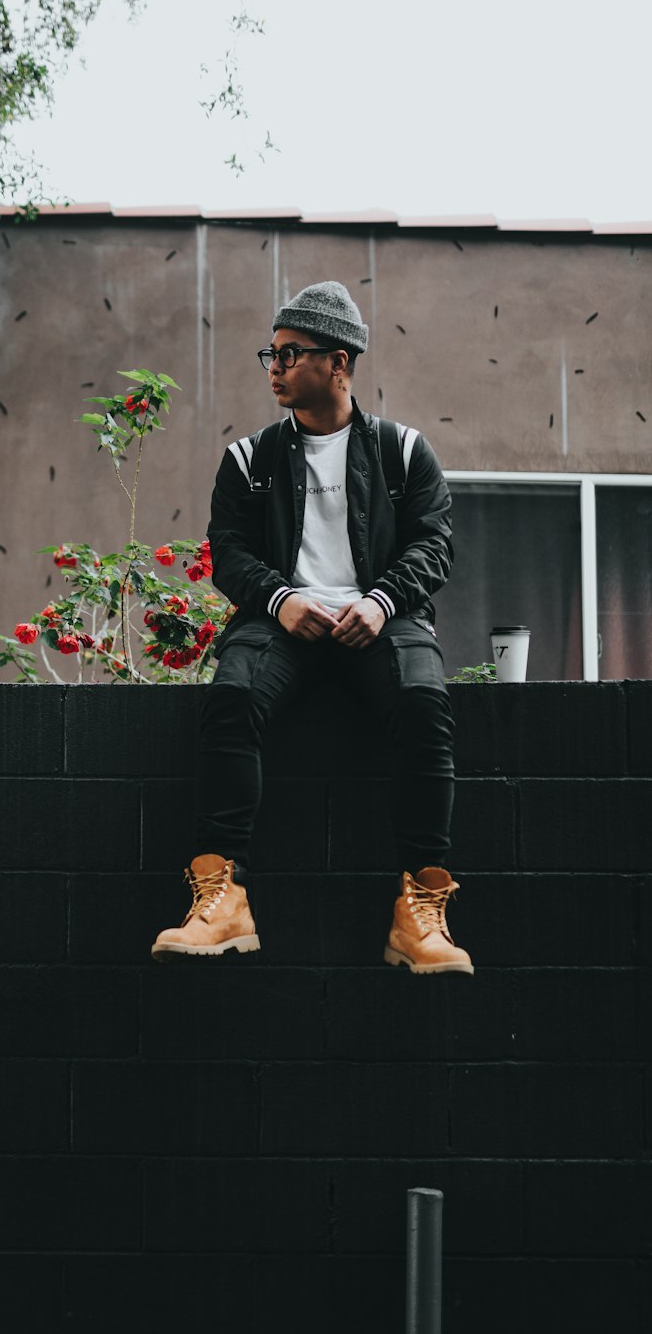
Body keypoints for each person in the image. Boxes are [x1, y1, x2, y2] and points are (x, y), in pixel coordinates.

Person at [151, 280, 472, 975]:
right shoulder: (249, 460)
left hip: (381, 620)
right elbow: (230, 553)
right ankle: (222, 898)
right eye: (271, 352)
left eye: (291, 353)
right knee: (232, 695)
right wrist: (281, 599)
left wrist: (382, 601)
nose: (275, 366)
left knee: (423, 700)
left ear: (340, 361)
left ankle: (419, 910)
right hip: (280, 623)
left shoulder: (404, 452)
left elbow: (433, 546)